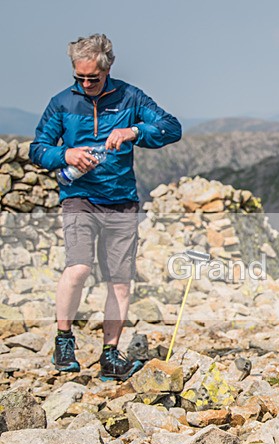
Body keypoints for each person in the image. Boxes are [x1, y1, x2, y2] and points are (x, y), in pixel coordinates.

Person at [30, 34, 181, 381]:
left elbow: (171, 128)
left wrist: (134, 132)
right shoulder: (61, 103)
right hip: (78, 196)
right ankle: (64, 339)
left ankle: (110, 356)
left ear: (107, 68)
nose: (85, 84)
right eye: (79, 78)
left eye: (92, 78)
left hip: (121, 200)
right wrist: (65, 154)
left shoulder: (130, 97)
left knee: (120, 283)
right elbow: (37, 148)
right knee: (79, 268)